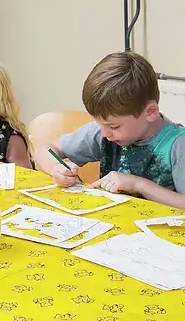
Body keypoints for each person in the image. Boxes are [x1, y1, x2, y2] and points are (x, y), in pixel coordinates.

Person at [35, 52, 185, 209]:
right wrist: (56, 169)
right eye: (100, 124)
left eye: (114, 127)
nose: (105, 133)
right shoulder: (103, 132)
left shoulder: (178, 145)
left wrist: (139, 185)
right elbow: (44, 148)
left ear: (150, 112)